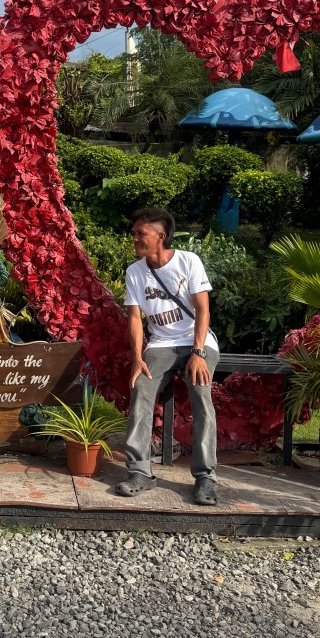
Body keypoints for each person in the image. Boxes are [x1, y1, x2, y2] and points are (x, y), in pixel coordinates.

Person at [116, 207, 219, 506]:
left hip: (197, 341)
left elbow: (203, 311)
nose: (134, 238)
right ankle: (140, 472)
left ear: (160, 236)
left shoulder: (189, 262)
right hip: (161, 344)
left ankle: (205, 477)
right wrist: (138, 358)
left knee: (201, 392)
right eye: (134, 233)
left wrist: (198, 353)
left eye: (140, 233)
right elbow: (135, 319)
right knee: (141, 389)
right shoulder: (135, 272)